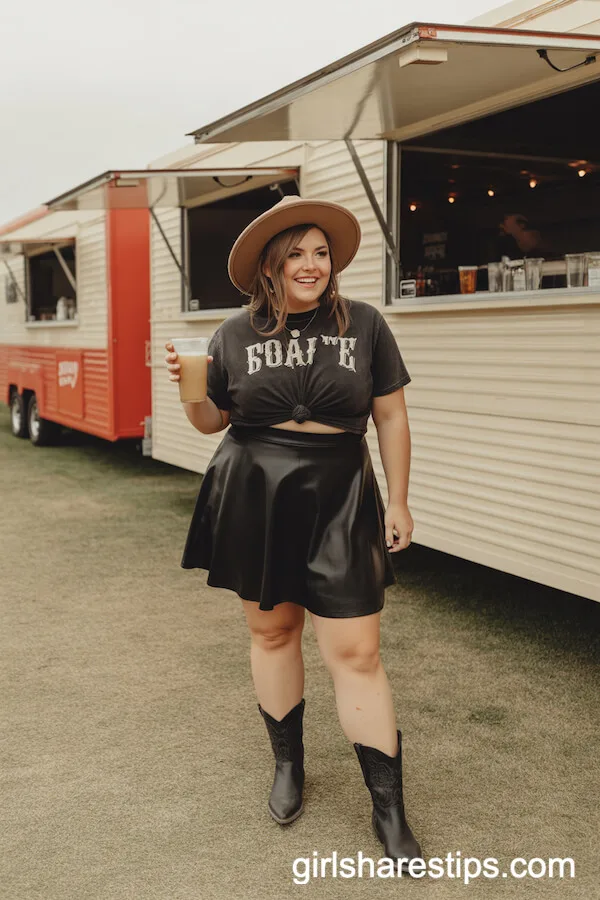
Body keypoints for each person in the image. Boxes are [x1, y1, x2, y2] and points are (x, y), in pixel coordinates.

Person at [164, 196, 421, 871]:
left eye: (320, 251)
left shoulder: (364, 324)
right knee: (272, 632)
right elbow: (210, 424)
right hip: (255, 490)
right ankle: (288, 766)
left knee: (357, 650)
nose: (311, 263)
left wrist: (399, 500)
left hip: (340, 490)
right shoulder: (231, 333)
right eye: (295, 253)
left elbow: (390, 418)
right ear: (269, 268)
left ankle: (389, 809)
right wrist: (189, 392)